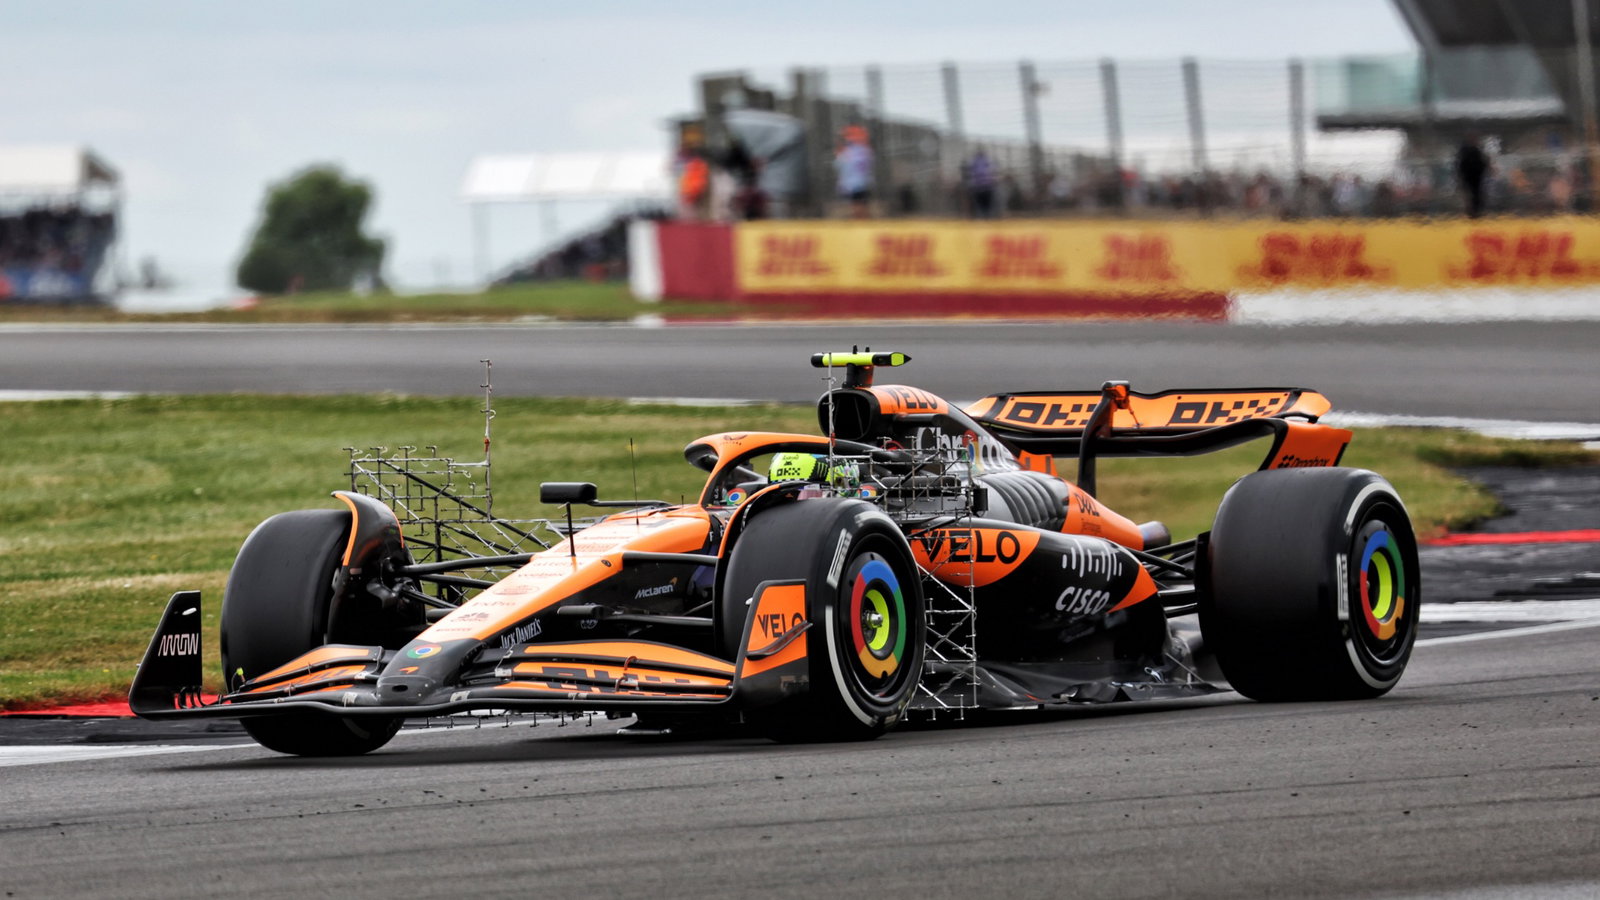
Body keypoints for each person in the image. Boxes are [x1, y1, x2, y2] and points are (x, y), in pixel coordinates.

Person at [833, 125, 874, 218]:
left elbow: (841, 165)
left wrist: (840, 154)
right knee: (858, 205)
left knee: (857, 205)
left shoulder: (850, 151)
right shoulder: (865, 150)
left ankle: (860, 221)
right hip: (859, 182)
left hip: (854, 183)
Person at [1456, 134, 1490, 218]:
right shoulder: (1467, 151)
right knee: (1471, 195)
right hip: (1470, 177)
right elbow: (1461, 165)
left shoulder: (1475, 151)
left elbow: (1483, 164)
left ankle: (1475, 212)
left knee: (1475, 195)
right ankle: (1473, 212)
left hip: (1475, 178)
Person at [965, 147, 998, 218]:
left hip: (978, 187)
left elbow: (971, 174)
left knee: (980, 205)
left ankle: (981, 217)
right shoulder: (987, 162)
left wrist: (971, 184)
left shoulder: (974, 162)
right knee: (987, 205)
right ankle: (986, 216)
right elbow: (992, 173)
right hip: (987, 187)